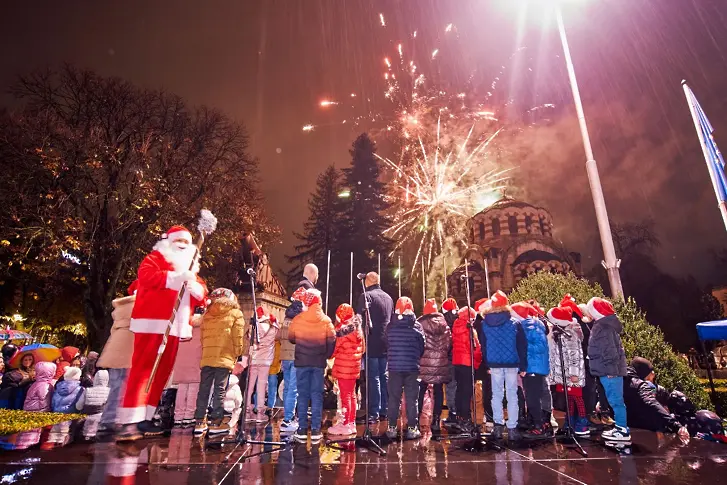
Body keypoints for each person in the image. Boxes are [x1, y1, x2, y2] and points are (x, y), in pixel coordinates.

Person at [116, 225, 208, 442]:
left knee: (162, 372)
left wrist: (195, 287)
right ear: (168, 242)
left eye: (186, 243)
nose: (183, 246)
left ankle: (146, 416)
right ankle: (130, 420)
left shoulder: (191, 267)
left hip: (175, 326)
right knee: (143, 371)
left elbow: (202, 292)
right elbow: (146, 277)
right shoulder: (155, 258)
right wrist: (175, 278)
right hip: (153, 322)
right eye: (179, 242)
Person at [194, 288, 245, 436]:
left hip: (208, 355)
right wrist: (237, 353)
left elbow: (203, 337)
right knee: (220, 389)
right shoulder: (236, 313)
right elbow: (238, 337)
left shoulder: (208, 314)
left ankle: (199, 421)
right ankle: (216, 422)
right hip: (224, 355)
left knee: (203, 389)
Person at [289, 288, 336, 443]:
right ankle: (315, 430)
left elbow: (291, 338)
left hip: (302, 363)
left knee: (302, 395)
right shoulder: (326, 320)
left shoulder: (298, 319)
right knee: (317, 395)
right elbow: (332, 340)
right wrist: (326, 355)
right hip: (318, 363)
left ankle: (302, 430)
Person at [479, 291, 527, 442]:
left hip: (494, 363)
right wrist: (523, 365)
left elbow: (484, 346)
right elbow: (521, 345)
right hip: (512, 363)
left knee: (496, 394)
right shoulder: (515, 322)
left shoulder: (484, 323)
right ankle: (512, 428)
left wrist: (487, 363)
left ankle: (498, 426)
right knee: (512, 395)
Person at [559, 294, 614, 427]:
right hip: (583, 360)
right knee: (587, 389)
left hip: (588, 359)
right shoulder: (578, 322)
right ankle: (588, 415)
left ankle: (593, 414)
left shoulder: (589, 323)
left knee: (591, 388)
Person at [585, 297, 630, 442]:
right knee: (614, 400)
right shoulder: (605, 326)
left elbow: (610, 352)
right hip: (608, 370)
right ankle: (620, 428)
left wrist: (610, 370)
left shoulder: (602, 327)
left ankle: (622, 430)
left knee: (616, 401)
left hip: (610, 371)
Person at [97, 282, 136, 435]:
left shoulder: (120, 309)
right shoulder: (140, 306)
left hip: (116, 351)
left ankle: (107, 420)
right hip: (130, 351)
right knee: (127, 387)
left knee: (115, 386)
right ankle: (122, 420)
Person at [385, 297, 426, 440]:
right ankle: (412, 429)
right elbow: (422, 347)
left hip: (395, 367)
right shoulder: (417, 326)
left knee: (394, 399)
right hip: (412, 367)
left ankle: (391, 428)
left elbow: (387, 344)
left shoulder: (390, 326)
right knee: (412, 399)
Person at [623, 357, 689, 441]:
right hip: (640, 437)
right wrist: (676, 425)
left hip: (618, 433)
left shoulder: (617, 381)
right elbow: (652, 403)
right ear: (644, 373)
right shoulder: (640, 386)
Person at [356, 272, 393, 423]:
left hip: (371, 342)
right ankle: (385, 409)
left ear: (368, 281)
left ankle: (373, 412)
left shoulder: (366, 296)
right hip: (386, 343)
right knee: (384, 377)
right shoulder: (389, 298)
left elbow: (359, 320)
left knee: (373, 378)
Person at [512, 301, 553, 438]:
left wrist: (522, 348)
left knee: (533, 398)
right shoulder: (529, 325)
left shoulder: (530, 327)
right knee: (533, 397)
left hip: (533, 367)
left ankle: (539, 426)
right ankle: (539, 424)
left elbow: (540, 347)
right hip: (533, 366)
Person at [547, 306, 588, 436]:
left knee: (577, 397)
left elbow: (574, 355)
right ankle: (569, 421)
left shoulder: (570, 334)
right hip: (564, 373)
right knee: (569, 398)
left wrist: (574, 374)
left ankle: (582, 421)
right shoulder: (559, 333)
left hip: (571, 374)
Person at [328, 303, 364, 436]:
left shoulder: (342, 332)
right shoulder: (358, 329)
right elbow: (363, 349)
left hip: (344, 368)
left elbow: (333, 351)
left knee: (345, 396)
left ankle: (345, 424)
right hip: (354, 368)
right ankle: (351, 422)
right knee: (352, 395)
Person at [417, 299, 452, 433]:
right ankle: (436, 420)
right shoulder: (445, 324)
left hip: (425, 363)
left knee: (421, 391)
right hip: (440, 362)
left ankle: (416, 418)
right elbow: (449, 344)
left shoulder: (420, 324)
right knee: (438, 392)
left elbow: (419, 343)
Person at [245, 307, 279, 424]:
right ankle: (260, 413)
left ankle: (247, 411)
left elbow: (249, 339)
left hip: (254, 359)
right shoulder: (272, 328)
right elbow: (277, 333)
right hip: (265, 360)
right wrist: (274, 322)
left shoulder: (252, 327)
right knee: (261, 385)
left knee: (250, 385)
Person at [278, 287, 305, 433]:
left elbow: (279, 338)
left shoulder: (285, 321)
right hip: (295, 358)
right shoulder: (298, 323)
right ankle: (288, 420)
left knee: (288, 388)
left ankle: (287, 416)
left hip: (285, 359)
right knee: (293, 390)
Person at [451, 304, 482, 433]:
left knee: (460, 391)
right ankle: (466, 419)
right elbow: (475, 349)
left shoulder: (456, 326)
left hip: (457, 362)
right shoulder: (469, 330)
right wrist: (478, 361)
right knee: (467, 392)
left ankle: (459, 417)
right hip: (468, 363)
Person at [172, 309, 204, 428]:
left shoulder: (184, 322)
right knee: (193, 387)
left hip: (181, 357)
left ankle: (178, 416)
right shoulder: (203, 324)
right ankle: (189, 416)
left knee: (182, 387)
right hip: (196, 356)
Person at [441, 297, 459, 426]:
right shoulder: (462, 319)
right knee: (461, 387)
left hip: (448, 358)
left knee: (450, 386)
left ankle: (453, 413)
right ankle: (462, 414)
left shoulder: (442, 321)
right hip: (462, 358)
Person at [82, 370, 111, 440]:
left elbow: (79, 405)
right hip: (102, 421)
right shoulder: (109, 391)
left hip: (88, 420)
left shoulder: (87, 390)